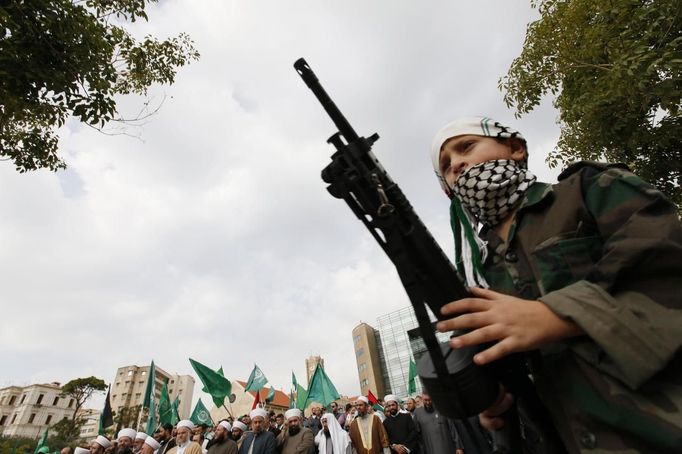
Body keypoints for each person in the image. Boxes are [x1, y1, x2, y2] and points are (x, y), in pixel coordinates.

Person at [430, 116, 682, 452]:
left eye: (466, 146)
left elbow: (662, 261)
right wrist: (497, 402)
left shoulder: (588, 189)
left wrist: (559, 315)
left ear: (515, 148)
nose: (457, 164)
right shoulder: (479, 271)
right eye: (446, 166)